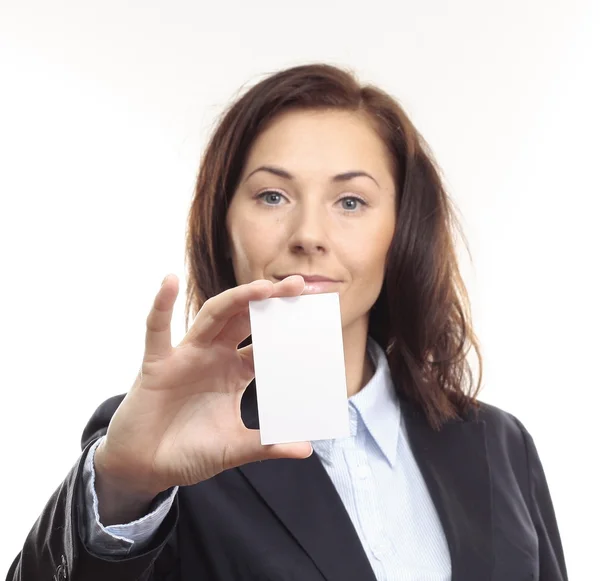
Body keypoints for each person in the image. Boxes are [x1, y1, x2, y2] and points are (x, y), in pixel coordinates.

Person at [6, 63, 568, 581]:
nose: (308, 234)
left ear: (401, 232)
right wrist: (123, 488)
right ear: (223, 226)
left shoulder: (499, 443)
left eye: (350, 202)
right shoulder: (163, 439)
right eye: (272, 196)